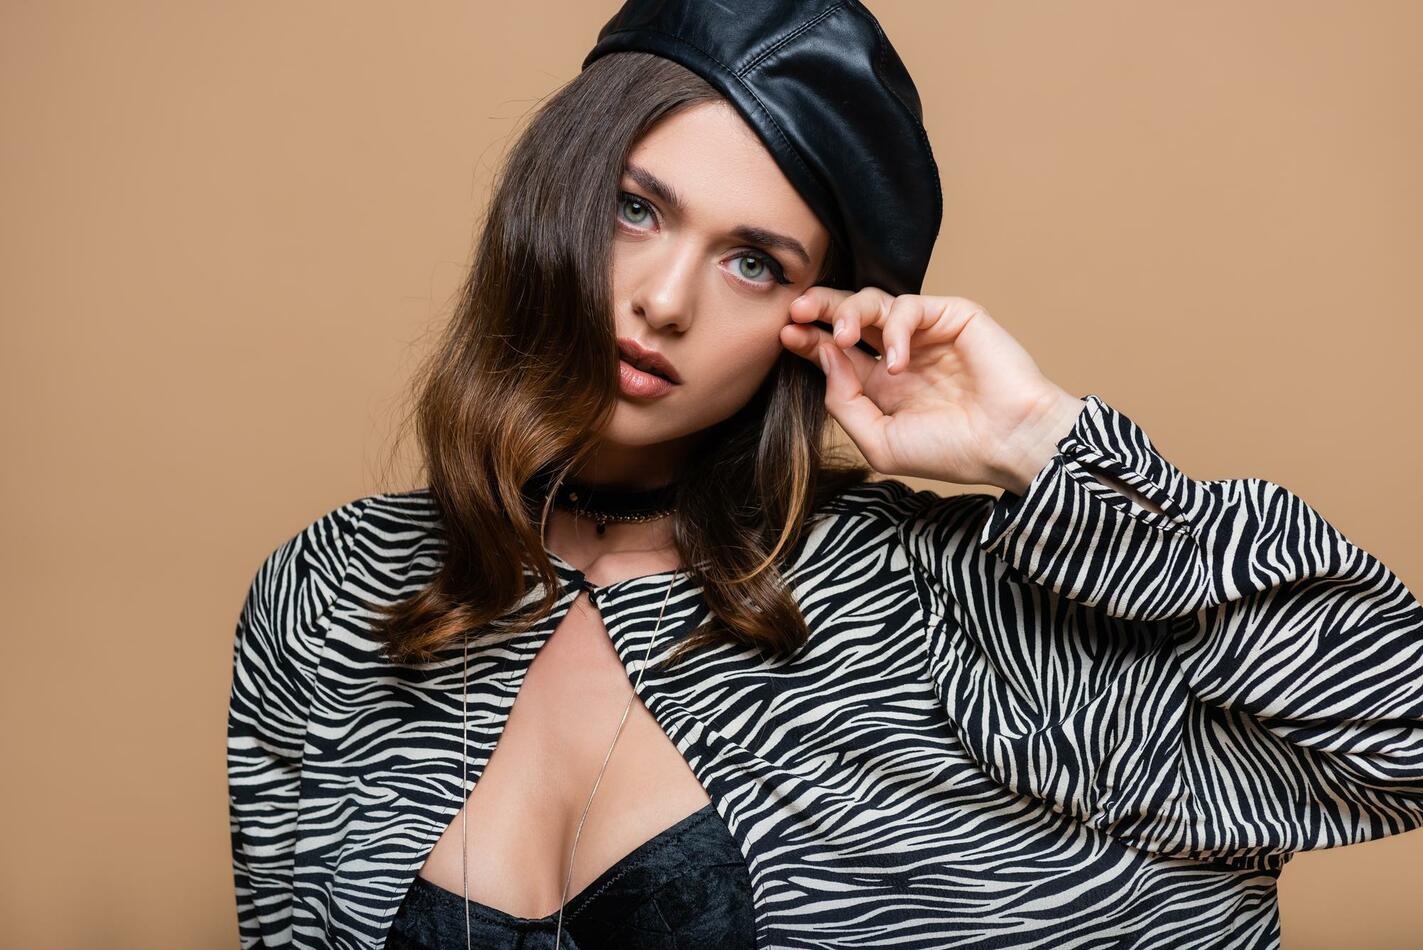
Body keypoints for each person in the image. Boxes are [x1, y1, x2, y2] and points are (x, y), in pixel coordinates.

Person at [225, 2, 1423, 948]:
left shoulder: (933, 599)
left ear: (820, 319)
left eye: (753, 261)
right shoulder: (331, 595)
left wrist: (1039, 443)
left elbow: (1396, 729)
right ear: (555, 194)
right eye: (636, 209)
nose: (664, 300)